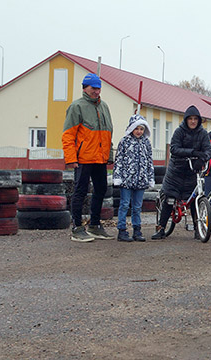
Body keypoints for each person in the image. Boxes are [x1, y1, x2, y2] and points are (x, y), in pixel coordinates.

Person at [62, 73, 114, 242]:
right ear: (84, 88)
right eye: (93, 88)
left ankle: (95, 225)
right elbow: (68, 135)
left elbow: (108, 133)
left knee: (101, 189)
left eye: (98, 88)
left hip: (100, 158)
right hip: (83, 159)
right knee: (80, 191)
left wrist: (109, 156)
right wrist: (71, 159)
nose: (96, 92)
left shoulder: (104, 107)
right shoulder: (76, 107)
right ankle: (77, 227)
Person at [151, 105, 211, 240]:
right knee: (169, 199)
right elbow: (174, 148)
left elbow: (209, 150)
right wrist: (193, 153)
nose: (193, 121)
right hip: (176, 171)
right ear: (186, 120)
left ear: (199, 120)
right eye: (190, 118)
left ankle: (198, 229)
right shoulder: (179, 132)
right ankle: (161, 228)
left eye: (195, 119)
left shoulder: (203, 134)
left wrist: (202, 158)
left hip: (192, 172)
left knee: (194, 201)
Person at [112, 115, 155, 242]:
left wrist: (150, 177)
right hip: (126, 180)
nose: (139, 131)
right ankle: (122, 230)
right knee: (124, 204)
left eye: (141, 129)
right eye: (137, 128)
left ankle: (137, 230)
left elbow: (149, 161)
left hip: (141, 180)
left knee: (137, 206)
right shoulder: (124, 141)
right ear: (131, 128)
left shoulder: (146, 143)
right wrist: (117, 177)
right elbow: (119, 160)